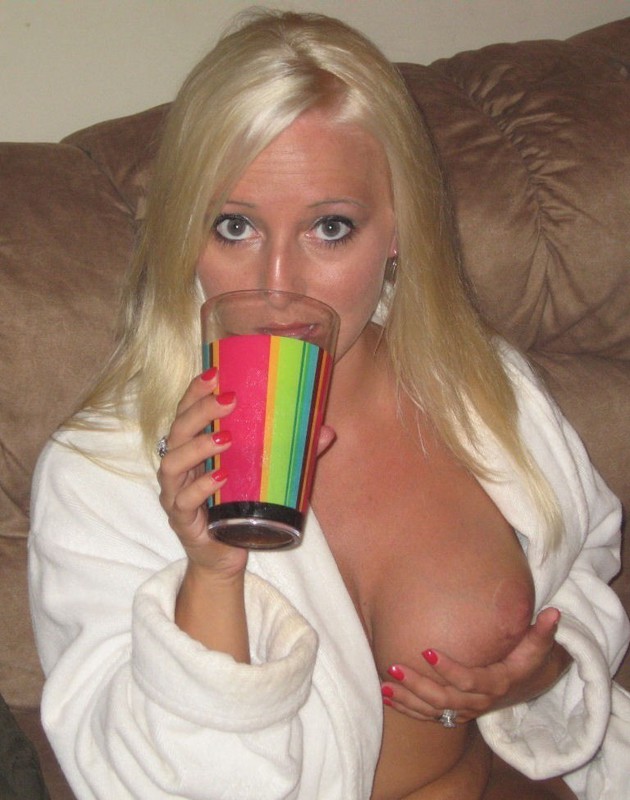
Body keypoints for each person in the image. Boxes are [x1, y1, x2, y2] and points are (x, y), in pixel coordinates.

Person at [28, 9, 630, 800]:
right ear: (182, 231)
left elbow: (583, 552)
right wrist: (211, 576)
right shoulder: (98, 474)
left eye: (331, 227)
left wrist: (545, 669)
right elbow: (138, 780)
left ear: (399, 229)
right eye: (234, 226)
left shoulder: (478, 387)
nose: (278, 284)